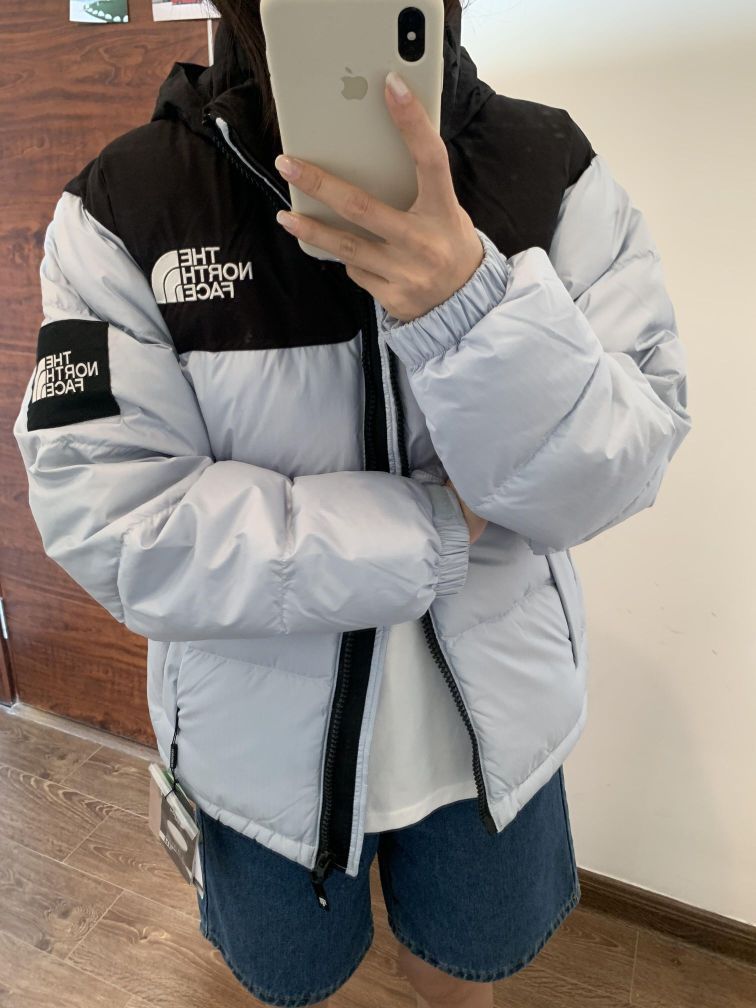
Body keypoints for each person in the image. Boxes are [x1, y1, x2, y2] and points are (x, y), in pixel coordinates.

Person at [12, 2, 691, 1006]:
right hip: (254, 748)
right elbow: (116, 520)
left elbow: (624, 462)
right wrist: (429, 530)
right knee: (293, 984)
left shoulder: (550, 167)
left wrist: (471, 306)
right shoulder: (127, 203)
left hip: (493, 737)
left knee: (460, 983)